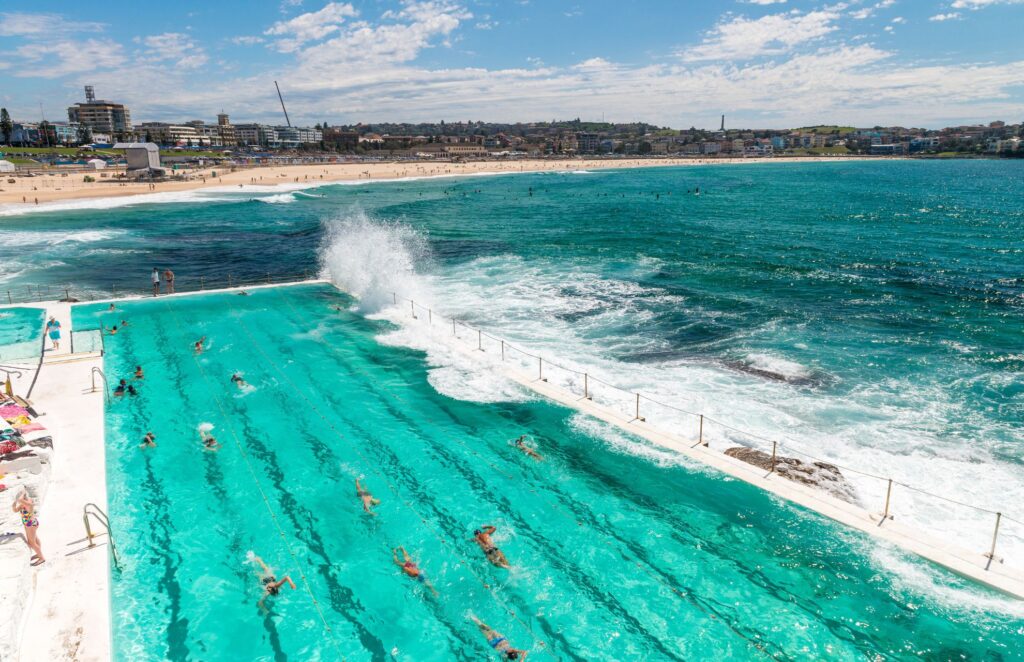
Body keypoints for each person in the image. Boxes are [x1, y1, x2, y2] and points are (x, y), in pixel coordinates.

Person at [13, 490, 44, 566]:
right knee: (35, 539)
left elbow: (20, 499)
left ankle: (41, 557)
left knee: (31, 543)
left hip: (30, 525)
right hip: (29, 524)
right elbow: (15, 510)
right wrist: (13, 504)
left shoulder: (29, 503)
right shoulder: (23, 503)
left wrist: (22, 493)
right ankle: (38, 553)